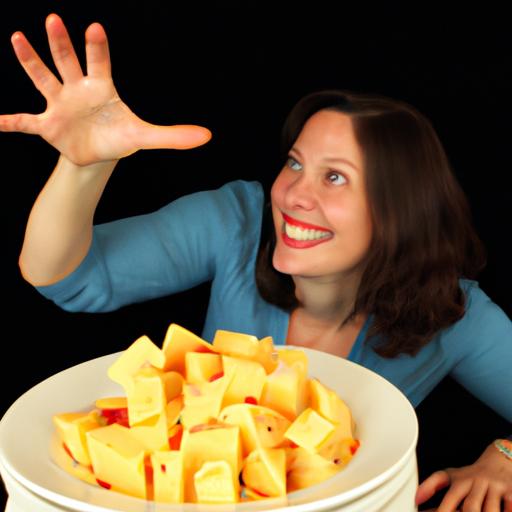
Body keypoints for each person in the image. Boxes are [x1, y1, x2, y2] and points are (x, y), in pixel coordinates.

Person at [2, 13, 511, 512]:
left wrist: (505, 456)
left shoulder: (454, 310)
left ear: (401, 211)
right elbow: (62, 276)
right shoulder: (237, 221)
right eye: (294, 163)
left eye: (335, 178)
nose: (293, 196)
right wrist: (83, 165)